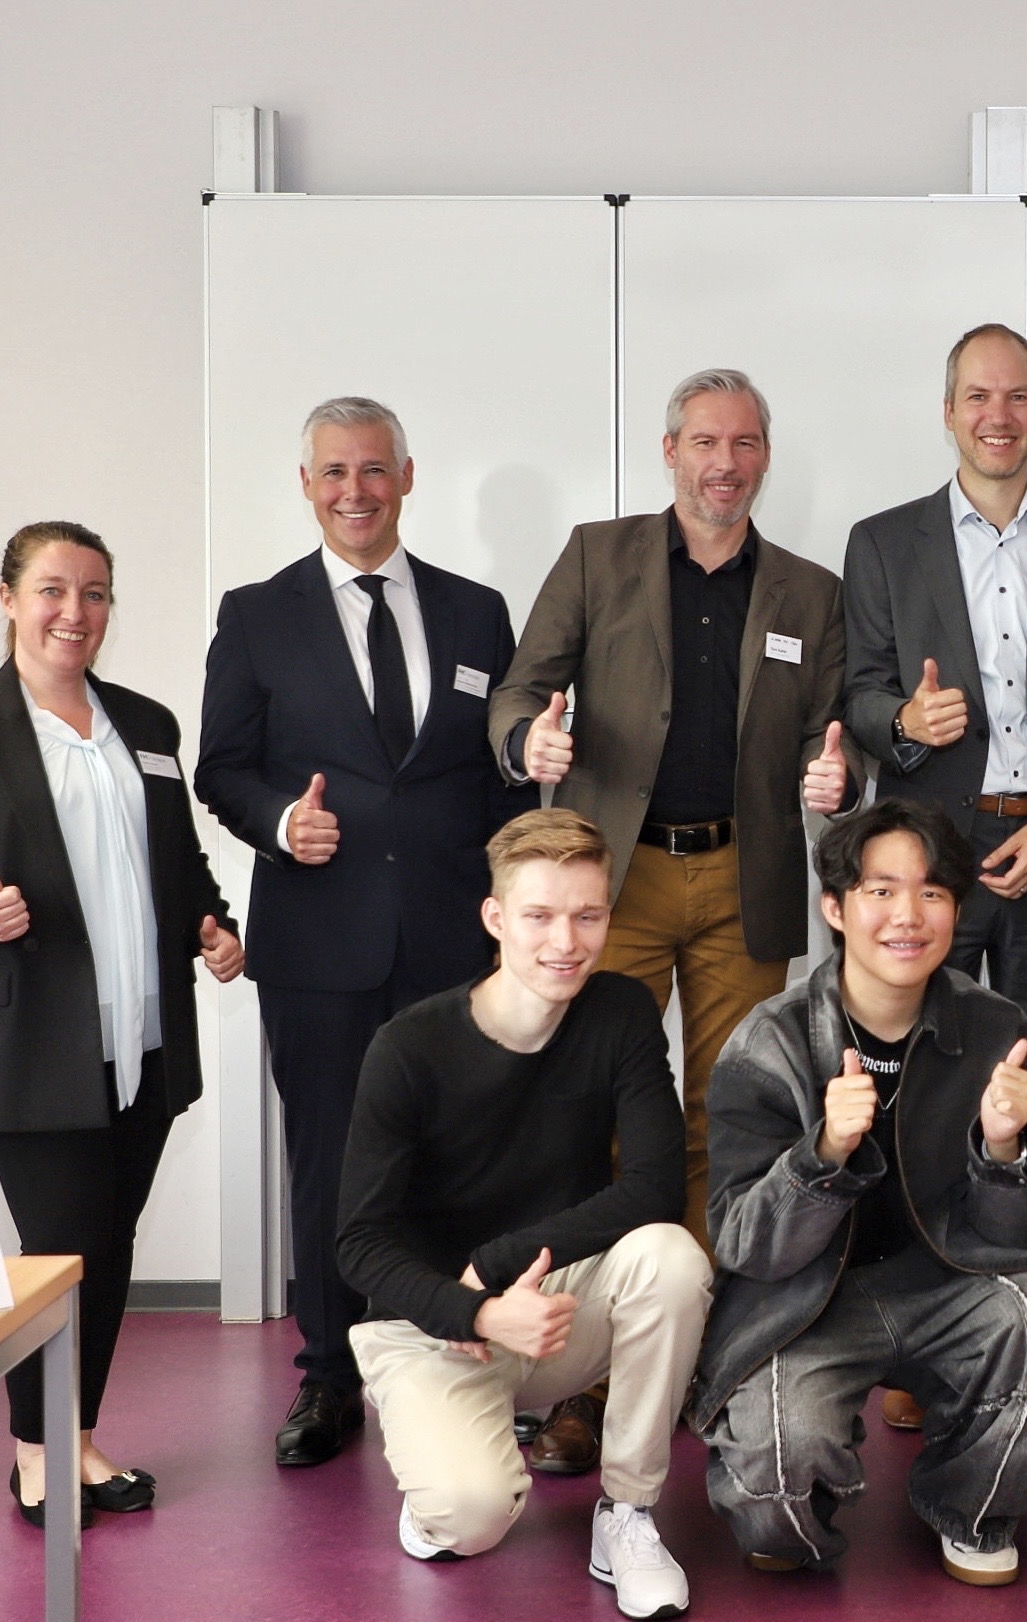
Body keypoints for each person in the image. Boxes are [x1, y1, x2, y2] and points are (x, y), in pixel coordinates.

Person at [488, 368, 855, 1470]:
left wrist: (832, 774)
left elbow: (827, 732)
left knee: (727, 1122)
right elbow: (519, 689)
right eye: (704, 441)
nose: (723, 464)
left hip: (745, 878)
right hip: (617, 882)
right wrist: (527, 742)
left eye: (743, 443)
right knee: (597, 1120)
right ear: (669, 451)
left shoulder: (807, 591)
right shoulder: (596, 556)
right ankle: (588, 1378)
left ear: (764, 457)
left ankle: (706, 1358)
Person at [0, 522, 244, 1526]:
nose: (74, 612)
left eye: (95, 593)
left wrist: (215, 927)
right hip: (29, 1044)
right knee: (60, 1246)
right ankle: (35, 1454)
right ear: (7, 598)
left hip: (144, 1036)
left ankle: (75, 1438)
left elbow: (179, 863)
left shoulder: (146, 724)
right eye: (51, 589)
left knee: (107, 1245)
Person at [198, 397, 537, 1468]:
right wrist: (278, 823)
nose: (357, 490)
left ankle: (457, 1352)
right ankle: (330, 1376)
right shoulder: (258, 614)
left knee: (459, 1157)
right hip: (318, 941)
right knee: (328, 1159)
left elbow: (501, 778)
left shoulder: (477, 612)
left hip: (453, 941)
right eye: (336, 472)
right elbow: (221, 767)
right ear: (307, 485)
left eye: (375, 469)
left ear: (407, 477)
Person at [692, 799, 1027, 1588]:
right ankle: (804, 1488)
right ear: (834, 908)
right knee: (775, 1513)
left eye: (932, 892)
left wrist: (1004, 1149)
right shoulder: (770, 1041)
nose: (908, 915)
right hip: (806, 1304)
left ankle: (968, 1505)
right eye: (880, 891)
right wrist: (822, 1156)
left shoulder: (999, 1030)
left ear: (956, 910)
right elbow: (744, 1244)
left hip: (952, 1284)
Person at [842, 326, 1027, 1436]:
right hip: (932, 870)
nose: (997, 415)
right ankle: (918, 1339)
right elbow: (860, 691)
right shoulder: (885, 542)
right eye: (976, 396)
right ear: (948, 411)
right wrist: (903, 723)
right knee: (919, 1097)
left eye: (1016, 396)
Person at [337, 809, 710, 1617]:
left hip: (549, 1305)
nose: (565, 942)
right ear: (495, 918)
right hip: (432, 1324)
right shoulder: (408, 1047)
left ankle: (627, 1512)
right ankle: (439, 1469)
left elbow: (656, 1189)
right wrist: (472, 1308)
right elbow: (359, 1244)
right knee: (468, 1522)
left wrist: (500, 1264)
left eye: (587, 916)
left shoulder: (619, 1012)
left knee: (671, 1258)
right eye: (539, 916)